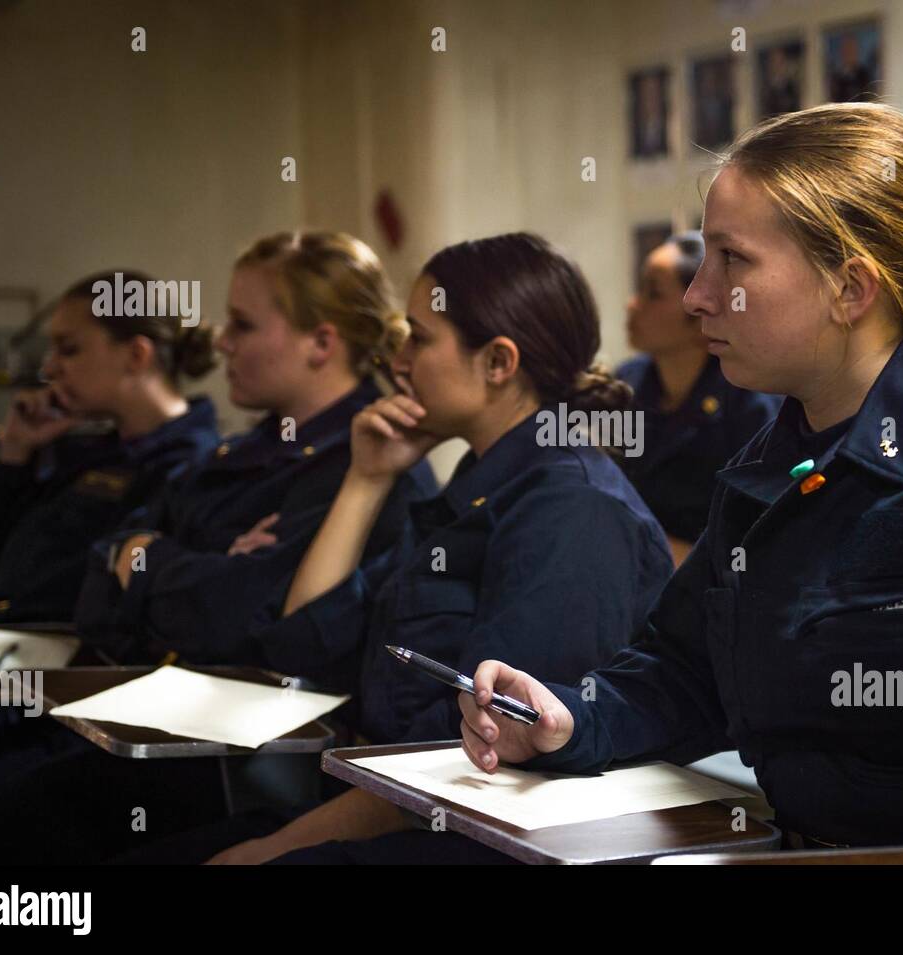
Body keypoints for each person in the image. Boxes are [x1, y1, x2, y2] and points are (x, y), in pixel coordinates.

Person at [452, 104, 903, 861]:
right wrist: (570, 716)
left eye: (732, 260)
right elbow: (687, 667)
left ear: (850, 288)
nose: (697, 295)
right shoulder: (787, 444)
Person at [110, 233, 674, 864]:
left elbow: (477, 760)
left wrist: (274, 849)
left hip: (462, 833)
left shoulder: (572, 509)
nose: (397, 359)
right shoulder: (481, 484)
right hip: (390, 801)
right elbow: (301, 644)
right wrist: (366, 480)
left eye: (419, 337)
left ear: (498, 362)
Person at [73, 232, 435, 669]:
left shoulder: (374, 460)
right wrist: (207, 564)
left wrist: (146, 559)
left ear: (321, 343)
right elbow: (95, 577)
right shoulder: (239, 450)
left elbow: (245, 627)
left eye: (243, 325)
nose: (223, 342)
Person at [0, 271, 219, 624]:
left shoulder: (192, 465)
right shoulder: (87, 453)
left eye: (69, 349)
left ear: (136, 355)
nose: (50, 367)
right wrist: (14, 454)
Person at [617, 231, 779, 564]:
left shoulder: (750, 403)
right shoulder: (627, 383)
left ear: (699, 314)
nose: (632, 304)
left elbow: (759, 537)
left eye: (653, 293)